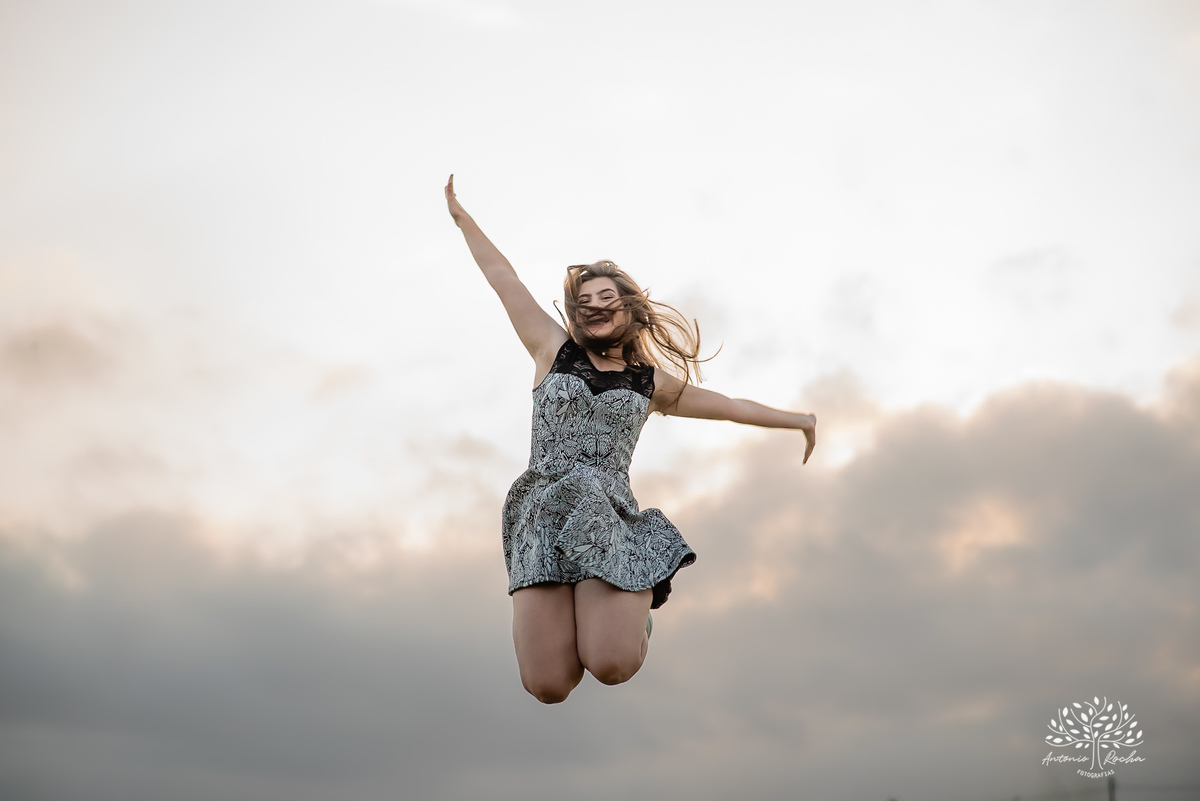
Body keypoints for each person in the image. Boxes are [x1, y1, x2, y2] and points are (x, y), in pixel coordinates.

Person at [445, 174, 816, 704]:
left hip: (603, 509)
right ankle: (581, 622)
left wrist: (799, 419)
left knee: (612, 664)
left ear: (629, 307)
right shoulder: (551, 350)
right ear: (573, 313)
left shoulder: (650, 382)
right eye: (585, 299)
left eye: (607, 297)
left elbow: (732, 408)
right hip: (539, 511)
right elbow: (503, 276)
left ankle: (635, 607)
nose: (595, 306)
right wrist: (462, 218)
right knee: (547, 685)